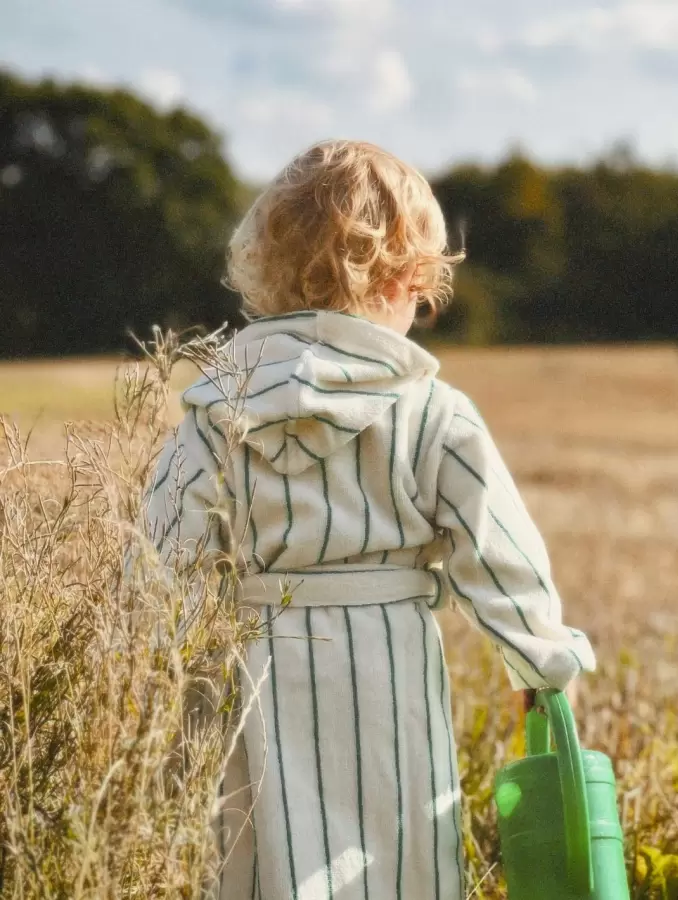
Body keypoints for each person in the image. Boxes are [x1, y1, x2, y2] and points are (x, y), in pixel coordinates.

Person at [145, 139, 596, 900]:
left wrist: (164, 692)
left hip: (245, 684)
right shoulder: (433, 415)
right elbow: (502, 560)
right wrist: (545, 667)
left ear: (266, 273)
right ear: (411, 280)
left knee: (251, 860)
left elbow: (159, 566)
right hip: (387, 677)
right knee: (397, 860)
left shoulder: (211, 415)